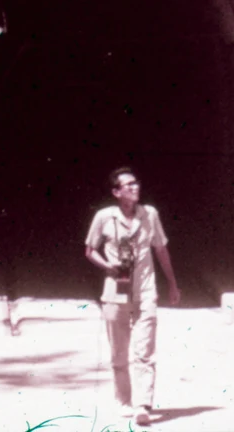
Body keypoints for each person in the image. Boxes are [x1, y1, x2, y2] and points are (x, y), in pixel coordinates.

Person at [84, 166, 180, 427]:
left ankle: (143, 404)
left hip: (145, 290)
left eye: (136, 183)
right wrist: (108, 266)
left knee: (144, 350)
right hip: (116, 291)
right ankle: (123, 400)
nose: (135, 188)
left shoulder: (150, 214)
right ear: (116, 192)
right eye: (128, 185)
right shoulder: (105, 217)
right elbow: (90, 250)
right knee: (119, 352)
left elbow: (161, 250)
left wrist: (172, 284)